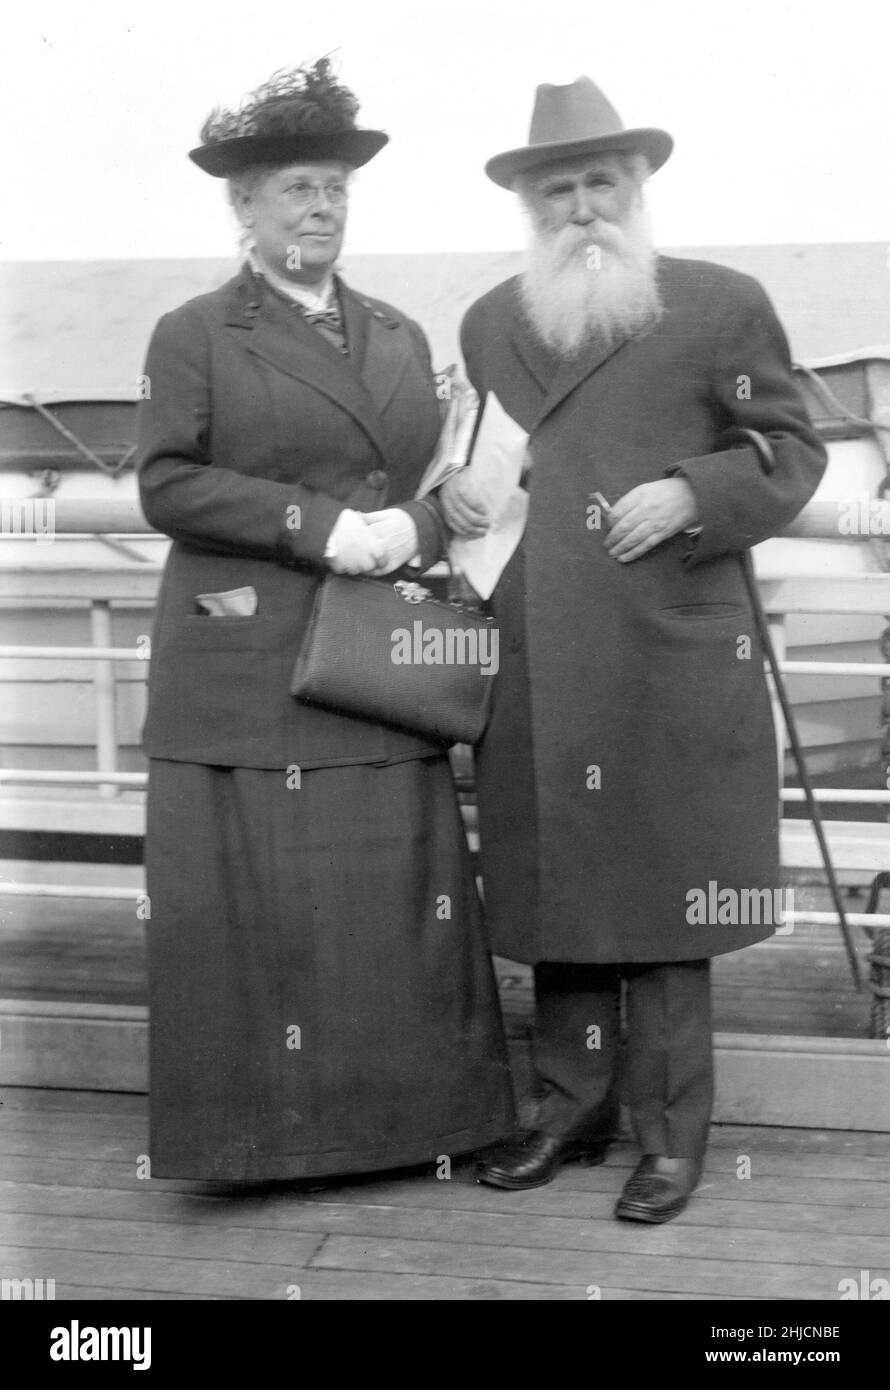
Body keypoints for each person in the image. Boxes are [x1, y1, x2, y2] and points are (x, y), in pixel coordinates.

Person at [441, 76, 826, 1222]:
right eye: (555, 188)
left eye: (599, 182)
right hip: (538, 650)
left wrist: (691, 489)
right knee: (560, 882)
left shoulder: (720, 306)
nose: (580, 207)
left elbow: (790, 447)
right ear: (528, 204)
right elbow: (483, 461)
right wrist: (459, 495)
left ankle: (669, 1136)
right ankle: (569, 1106)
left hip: (666, 647)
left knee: (665, 894)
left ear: (638, 185)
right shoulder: (489, 322)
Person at [136, 59, 514, 1183]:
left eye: (334, 191)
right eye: (296, 189)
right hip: (246, 659)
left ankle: (406, 1129)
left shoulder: (399, 334)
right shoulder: (192, 331)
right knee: (259, 905)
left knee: (389, 899)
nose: (319, 209)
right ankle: (260, 1144)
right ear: (243, 209)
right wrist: (320, 525)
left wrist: (419, 528)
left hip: (368, 658)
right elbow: (165, 484)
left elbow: (445, 485)